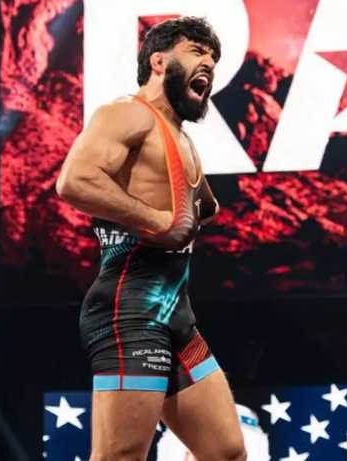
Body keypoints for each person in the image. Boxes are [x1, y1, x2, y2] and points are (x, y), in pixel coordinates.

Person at [55, 16, 246, 461]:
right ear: (158, 62)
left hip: (175, 317)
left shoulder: (180, 136)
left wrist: (195, 211)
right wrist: (156, 220)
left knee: (226, 452)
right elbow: (75, 180)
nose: (209, 63)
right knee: (120, 457)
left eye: (213, 58)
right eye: (196, 51)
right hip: (130, 313)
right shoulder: (127, 113)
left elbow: (202, 206)